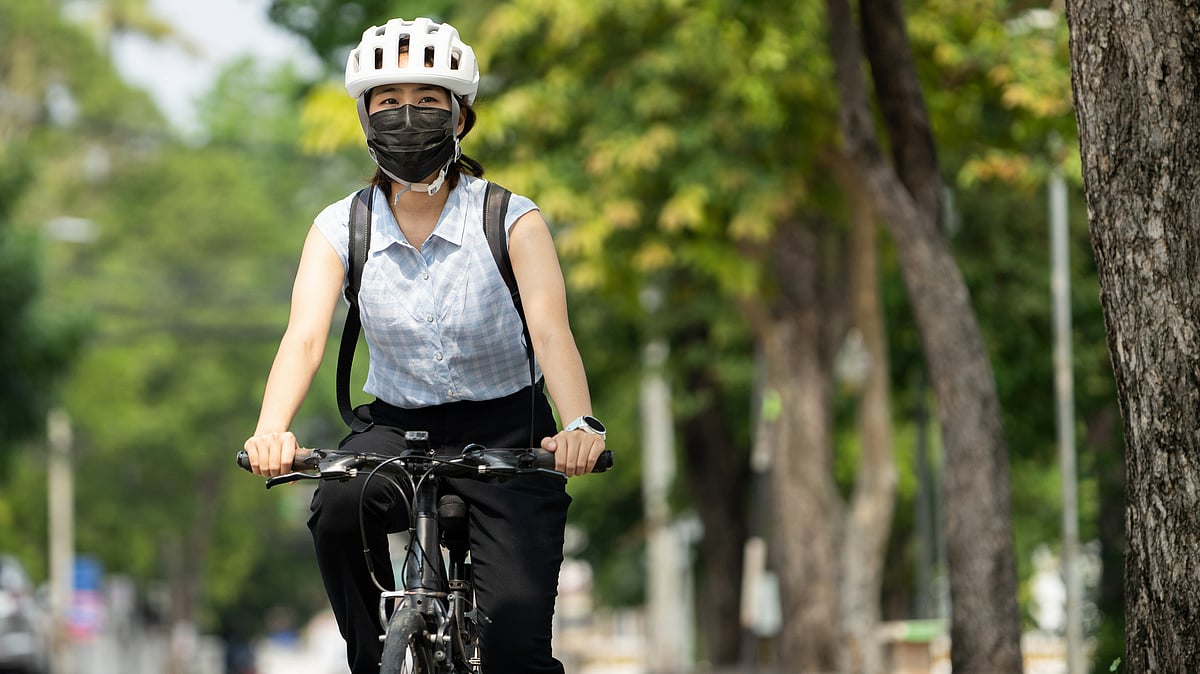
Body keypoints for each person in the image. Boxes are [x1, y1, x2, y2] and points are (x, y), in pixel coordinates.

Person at [241, 17, 607, 674]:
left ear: (461, 117)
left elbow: (552, 333)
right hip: (396, 426)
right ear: (364, 118)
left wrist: (578, 423)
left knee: (514, 655)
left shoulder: (511, 219)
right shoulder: (338, 227)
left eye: (428, 101)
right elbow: (303, 339)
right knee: (336, 506)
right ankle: (369, 658)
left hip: (508, 429)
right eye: (388, 103)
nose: (406, 117)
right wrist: (272, 431)